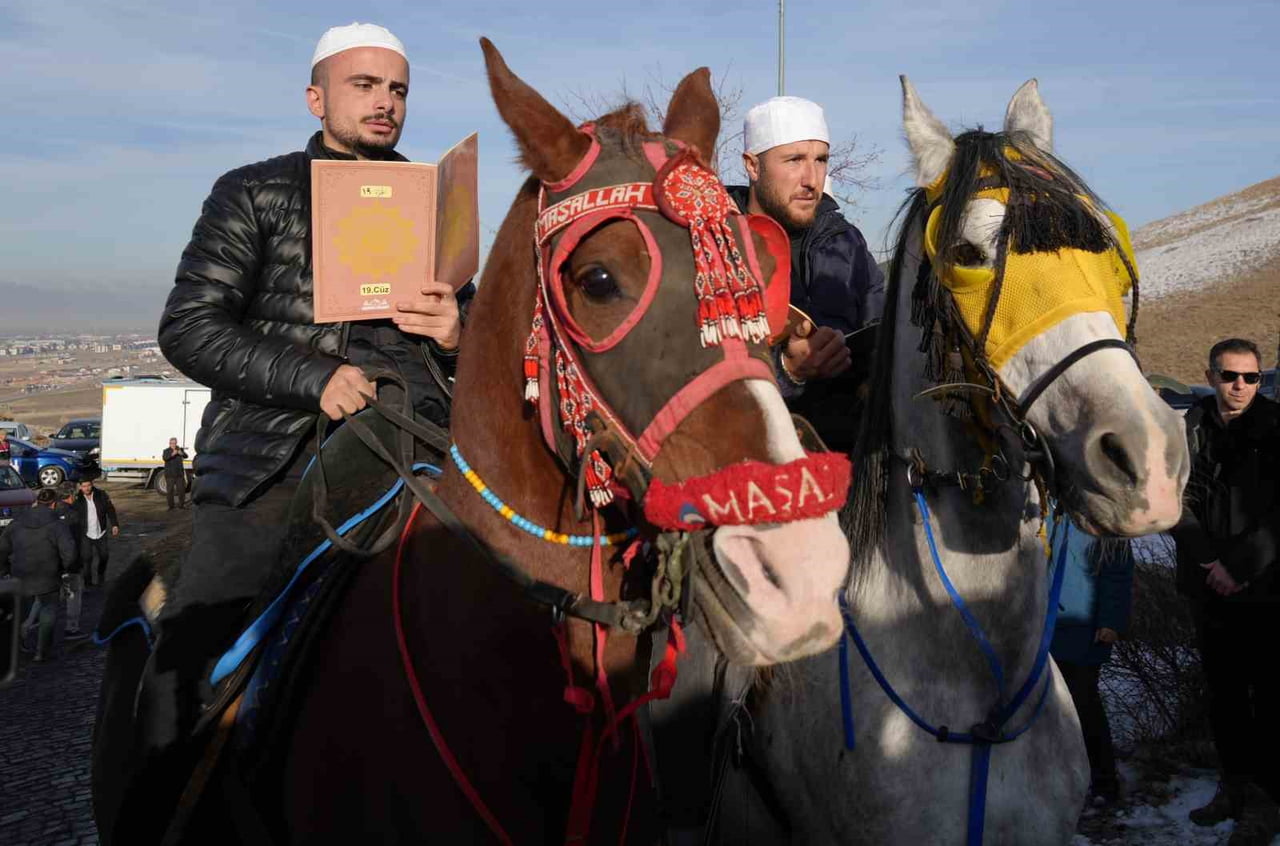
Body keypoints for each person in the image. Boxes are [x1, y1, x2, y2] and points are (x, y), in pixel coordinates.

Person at [144, 21, 466, 764]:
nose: (385, 102)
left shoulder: (432, 198)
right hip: (275, 457)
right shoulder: (254, 191)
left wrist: (457, 332)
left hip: (422, 445)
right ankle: (156, 799)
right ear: (316, 97)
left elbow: (472, 322)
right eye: (365, 85)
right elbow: (189, 326)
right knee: (195, 641)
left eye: (398, 89)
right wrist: (313, 377)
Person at [726, 96, 884, 453]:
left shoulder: (847, 242)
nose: (811, 179)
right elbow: (689, 375)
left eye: (821, 160)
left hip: (851, 467)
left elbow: (882, 329)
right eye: (794, 160)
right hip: (753, 470)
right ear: (753, 166)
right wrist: (787, 371)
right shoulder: (714, 245)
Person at [1170, 337, 1280, 846]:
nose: (1240, 386)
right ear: (1211, 374)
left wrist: (1239, 565)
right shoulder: (1187, 428)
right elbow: (1171, 498)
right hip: (1208, 586)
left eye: (1250, 377)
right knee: (1225, 696)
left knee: (1271, 698)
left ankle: (1267, 801)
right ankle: (1233, 787)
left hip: (1269, 590)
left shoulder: (1277, 427)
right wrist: (1208, 561)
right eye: (1230, 375)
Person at [1048, 515, 1133, 804]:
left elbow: (1118, 572)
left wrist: (1111, 621)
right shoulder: (1043, 506)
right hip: (1043, 624)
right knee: (1045, 707)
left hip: (1084, 627)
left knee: (1083, 704)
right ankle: (1055, 774)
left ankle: (1103, 782)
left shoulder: (1103, 514)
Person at [0, 488, 76, 662]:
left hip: (21, 574)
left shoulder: (18, 522)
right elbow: (69, 552)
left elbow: (2, 548)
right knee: (47, 612)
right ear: (54, 504)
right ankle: (42, 651)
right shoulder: (57, 525)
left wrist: (4, 570)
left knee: (21, 613)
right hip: (48, 575)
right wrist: (65, 569)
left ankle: (18, 646)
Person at [54, 481, 86, 640]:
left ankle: (29, 626)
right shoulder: (73, 515)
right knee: (73, 595)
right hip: (69, 563)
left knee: (47, 599)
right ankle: (72, 627)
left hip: (53, 562)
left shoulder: (53, 511)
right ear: (71, 495)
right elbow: (73, 542)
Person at [72, 478, 119, 588]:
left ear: (92, 485)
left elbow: (110, 509)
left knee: (104, 556)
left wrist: (114, 524)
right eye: (84, 486)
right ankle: (88, 583)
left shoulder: (101, 495)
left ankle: (100, 576)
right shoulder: (77, 499)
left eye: (88, 485)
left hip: (100, 532)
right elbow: (72, 516)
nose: (86, 488)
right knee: (87, 558)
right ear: (80, 487)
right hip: (85, 533)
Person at [161, 438, 188, 510]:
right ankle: (171, 506)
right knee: (170, 491)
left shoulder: (179, 449)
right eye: (172, 443)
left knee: (181, 490)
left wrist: (181, 453)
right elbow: (165, 458)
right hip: (170, 475)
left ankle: (181, 505)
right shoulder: (166, 451)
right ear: (169, 443)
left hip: (179, 474)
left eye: (175, 443)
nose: (174, 444)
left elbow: (186, 456)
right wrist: (172, 454)